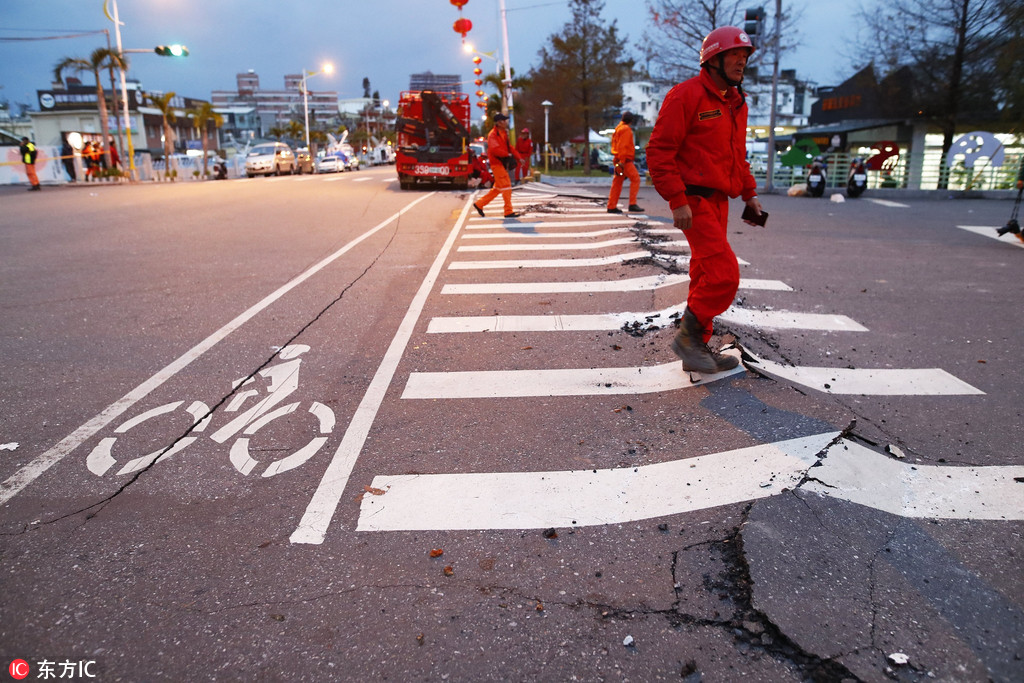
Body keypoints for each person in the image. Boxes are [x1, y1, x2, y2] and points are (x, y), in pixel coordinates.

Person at [646, 26, 763, 374]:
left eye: (745, 57)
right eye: (735, 56)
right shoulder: (686, 95)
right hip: (693, 200)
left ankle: (697, 346)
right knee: (724, 273)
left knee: (703, 272)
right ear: (713, 59)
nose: (742, 62)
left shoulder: (736, 103)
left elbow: (736, 155)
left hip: (719, 200)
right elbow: (659, 152)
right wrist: (676, 200)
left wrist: (750, 193)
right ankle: (687, 340)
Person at [473, 113, 522, 219]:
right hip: (496, 164)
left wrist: (518, 157)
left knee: (497, 189)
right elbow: (495, 150)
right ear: (499, 123)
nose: (506, 122)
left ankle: (479, 204)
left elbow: (510, 148)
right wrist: (507, 155)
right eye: (504, 121)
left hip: (501, 164)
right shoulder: (493, 135)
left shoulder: (503, 133)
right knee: (507, 186)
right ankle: (508, 211)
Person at [607, 111, 643, 214]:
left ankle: (612, 205)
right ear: (631, 121)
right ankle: (632, 203)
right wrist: (623, 161)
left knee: (617, 182)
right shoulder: (626, 130)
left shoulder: (618, 128)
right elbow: (623, 147)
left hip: (619, 160)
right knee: (635, 178)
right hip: (625, 161)